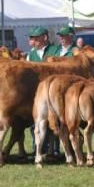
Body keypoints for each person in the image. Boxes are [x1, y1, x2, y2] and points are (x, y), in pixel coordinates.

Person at [26, 26, 59, 157]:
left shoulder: (55, 51)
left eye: (35, 38)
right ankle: (38, 147)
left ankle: (55, 149)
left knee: (55, 121)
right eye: (31, 39)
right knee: (36, 122)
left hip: (53, 91)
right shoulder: (31, 54)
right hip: (36, 93)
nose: (31, 41)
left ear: (45, 38)